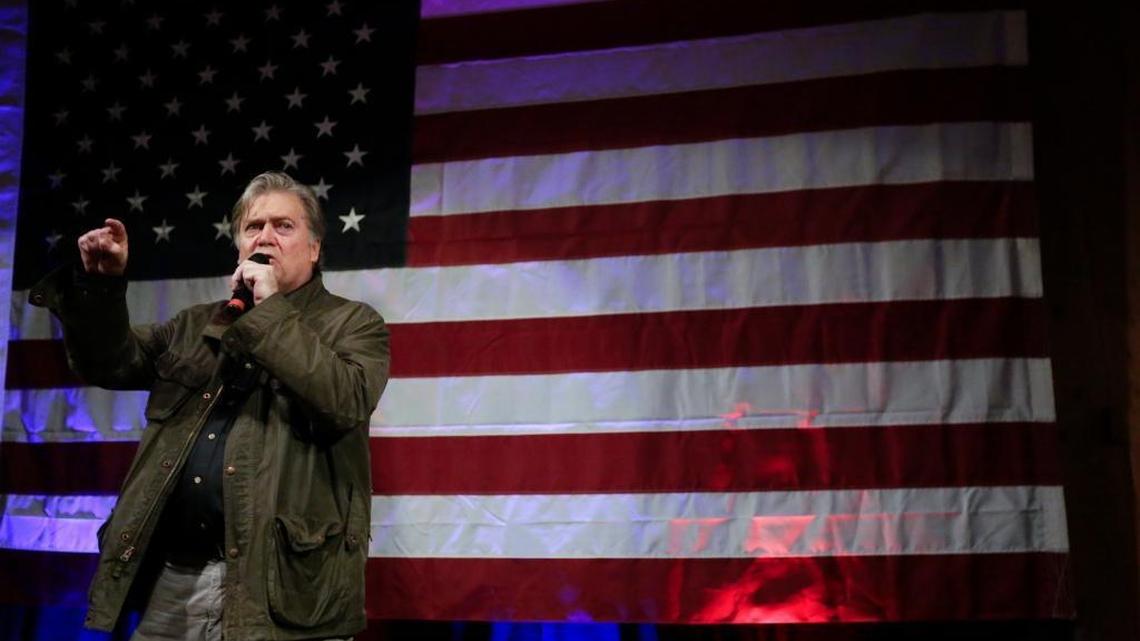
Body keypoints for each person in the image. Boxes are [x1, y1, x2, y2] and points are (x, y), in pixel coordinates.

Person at [29, 171, 390, 640]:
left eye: (284, 226)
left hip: (283, 592)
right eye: (253, 227)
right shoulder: (195, 325)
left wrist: (269, 309)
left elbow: (344, 399)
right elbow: (109, 364)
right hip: (173, 584)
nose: (265, 236)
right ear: (239, 246)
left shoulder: (354, 323)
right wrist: (100, 286)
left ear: (314, 248)